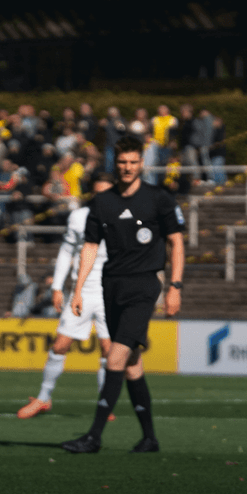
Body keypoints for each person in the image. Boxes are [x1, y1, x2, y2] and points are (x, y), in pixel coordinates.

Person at [60, 136, 185, 454]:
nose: (128, 167)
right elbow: (89, 247)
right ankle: (149, 438)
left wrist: (175, 286)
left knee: (114, 356)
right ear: (115, 165)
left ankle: (94, 437)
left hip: (143, 287)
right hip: (110, 285)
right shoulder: (102, 202)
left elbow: (176, 243)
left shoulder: (159, 198)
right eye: (122, 162)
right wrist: (77, 290)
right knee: (130, 363)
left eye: (133, 162)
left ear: (141, 163)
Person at [18, 173, 115, 419]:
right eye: (97, 192)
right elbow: (66, 251)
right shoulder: (79, 217)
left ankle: (105, 404)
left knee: (108, 349)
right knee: (60, 344)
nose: (101, 197)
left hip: (112, 292)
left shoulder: (125, 217)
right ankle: (43, 398)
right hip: (82, 291)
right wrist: (58, 286)